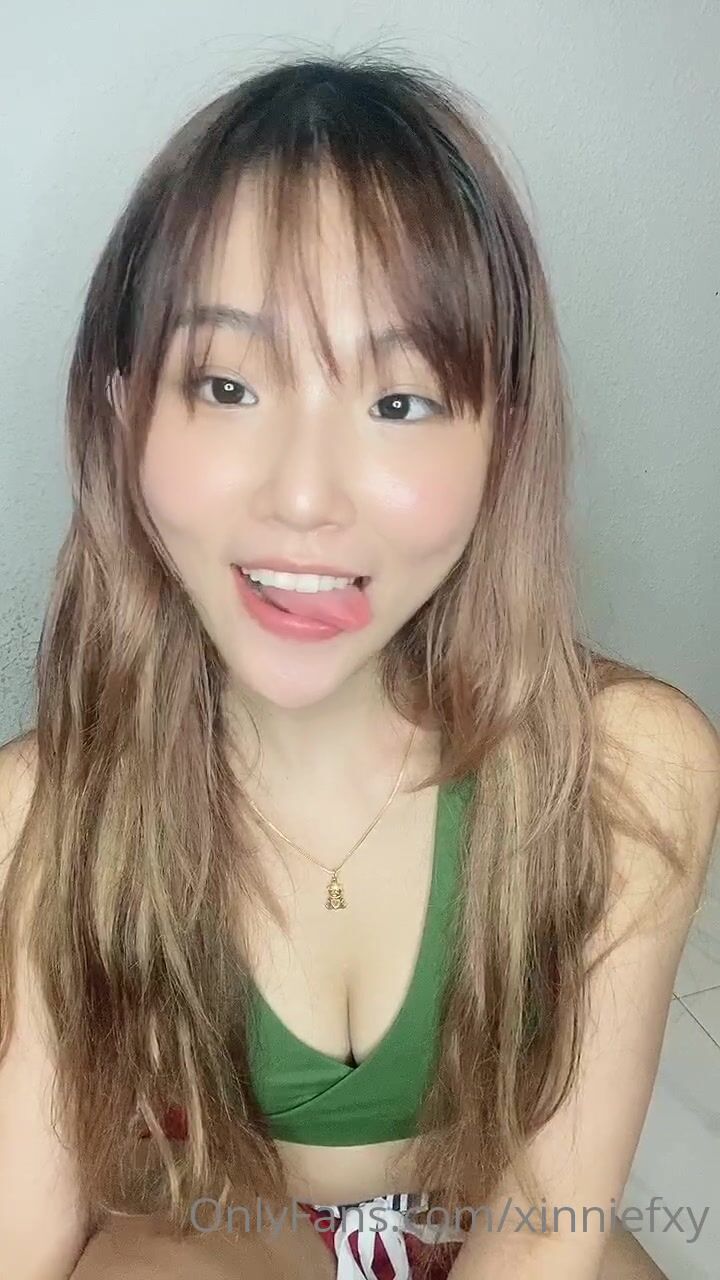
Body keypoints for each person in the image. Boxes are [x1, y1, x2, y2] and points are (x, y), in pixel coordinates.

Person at [0, 52, 717, 1280]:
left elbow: (547, 1219)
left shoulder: (629, 770)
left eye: (400, 402)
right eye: (227, 384)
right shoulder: (41, 815)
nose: (303, 496)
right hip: (217, 1222)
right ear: (122, 414)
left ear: (505, 439)